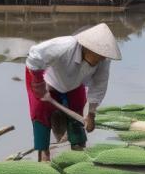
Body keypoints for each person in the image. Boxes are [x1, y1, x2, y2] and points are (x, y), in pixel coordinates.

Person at [25, 23, 122, 162]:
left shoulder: (103, 59)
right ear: (88, 48)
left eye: (103, 56)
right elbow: (35, 54)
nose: (101, 58)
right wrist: (38, 81)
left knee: (77, 107)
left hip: (74, 82)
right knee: (41, 112)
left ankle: (78, 146)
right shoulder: (66, 46)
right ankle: (43, 153)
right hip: (44, 77)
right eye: (99, 55)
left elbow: (99, 85)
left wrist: (92, 114)